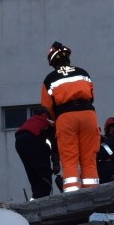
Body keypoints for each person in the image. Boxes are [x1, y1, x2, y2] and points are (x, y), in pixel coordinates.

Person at [41, 41, 100, 192]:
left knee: (69, 160)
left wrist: (56, 120)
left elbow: (47, 107)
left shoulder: (50, 79)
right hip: (88, 115)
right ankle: (93, 193)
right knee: (89, 159)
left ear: (53, 61)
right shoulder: (83, 73)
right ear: (68, 57)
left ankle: (74, 197)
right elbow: (92, 96)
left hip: (65, 118)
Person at [15, 108, 59, 199]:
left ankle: (35, 201)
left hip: (19, 142)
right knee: (44, 179)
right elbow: (54, 142)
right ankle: (40, 204)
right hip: (32, 140)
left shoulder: (37, 118)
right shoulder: (51, 121)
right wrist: (56, 163)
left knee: (34, 177)